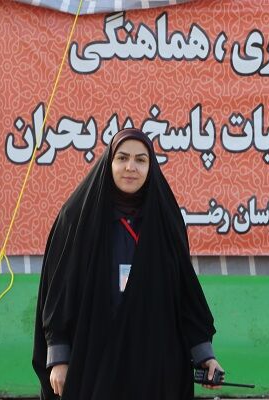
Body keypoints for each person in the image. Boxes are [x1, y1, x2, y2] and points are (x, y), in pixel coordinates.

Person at [32, 128, 224, 399]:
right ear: (109, 162)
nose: (130, 167)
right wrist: (59, 359)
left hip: (154, 365)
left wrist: (205, 356)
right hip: (93, 359)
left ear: (151, 166)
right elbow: (58, 293)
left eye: (140, 160)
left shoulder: (165, 220)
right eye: (122, 158)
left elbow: (184, 293)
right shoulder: (77, 217)